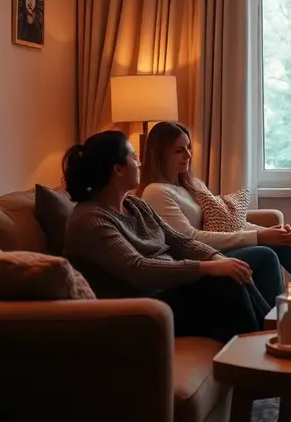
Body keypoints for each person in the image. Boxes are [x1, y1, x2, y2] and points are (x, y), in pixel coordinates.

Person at [61, 130, 272, 343]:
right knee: (226, 283)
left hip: (170, 293)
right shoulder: (89, 220)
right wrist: (207, 268)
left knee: (243, 266)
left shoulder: (136, 205)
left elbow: (179, 241)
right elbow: (138, 269)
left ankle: (274, 337)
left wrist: (218, 259)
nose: (140, 163)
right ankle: (262, 348)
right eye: (133, 157)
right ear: (118, 170)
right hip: (142, 309)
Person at [139, 121, 291, 281]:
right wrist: (260, 237)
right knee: (269, 249)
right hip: (202, 256)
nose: (188, 155)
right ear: (160, 155)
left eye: (188, 147)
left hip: (219, 246)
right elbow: (189, 239)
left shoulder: (193, 185)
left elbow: (228, 223)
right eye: (179, 150)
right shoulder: (156, 192)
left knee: (283, 239)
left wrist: (270, 232)